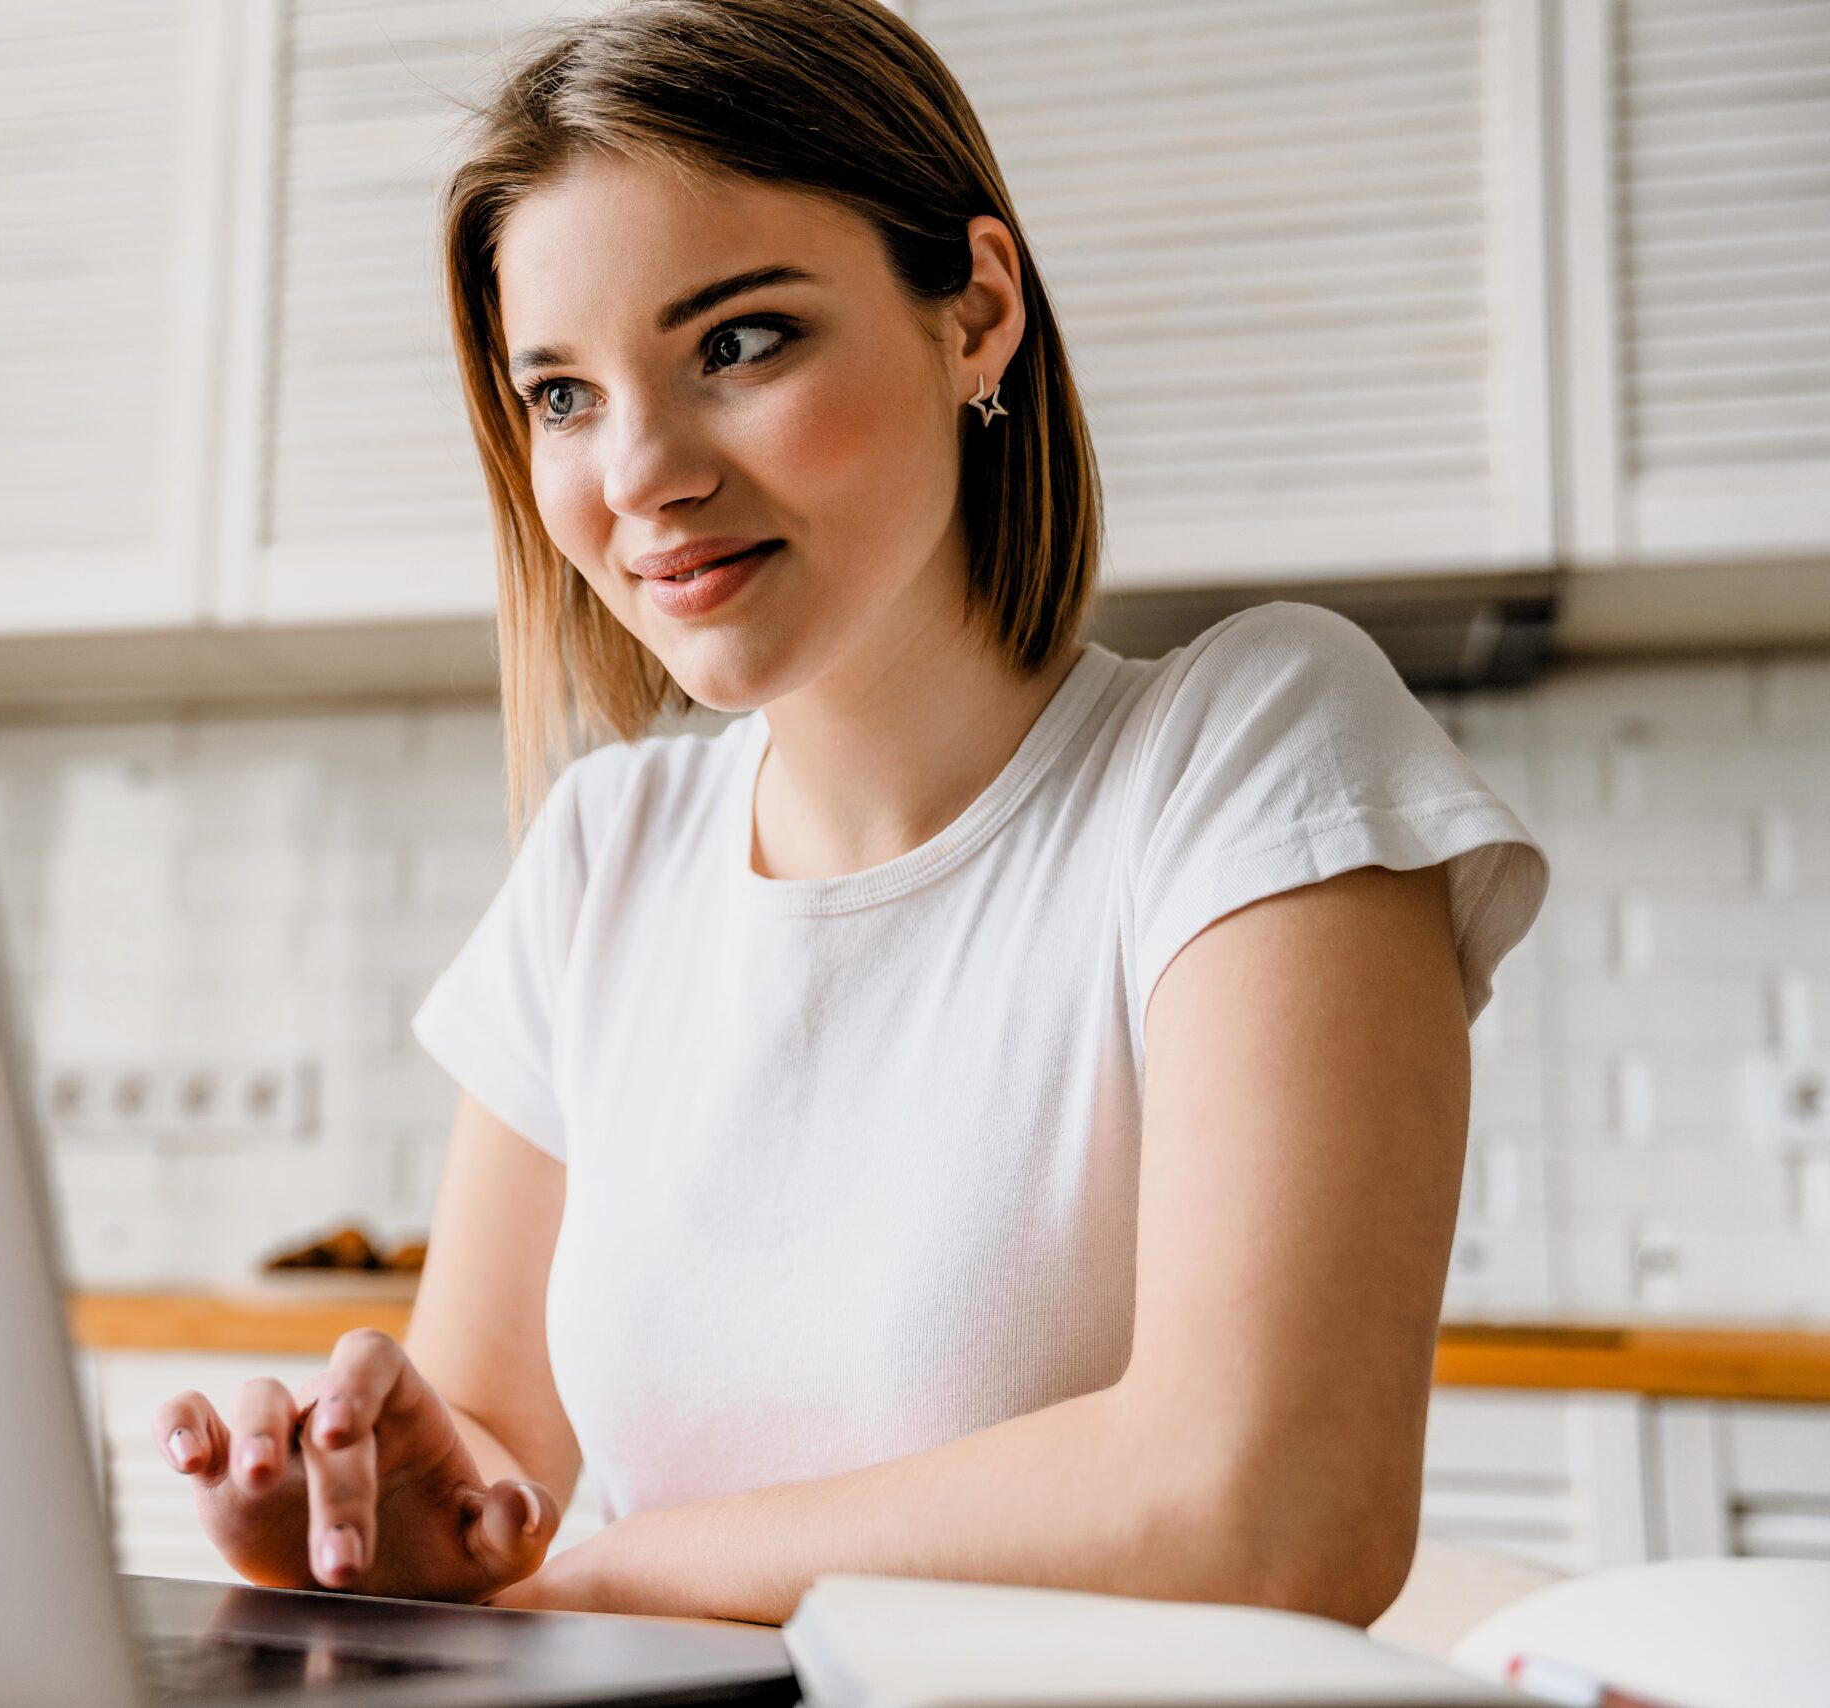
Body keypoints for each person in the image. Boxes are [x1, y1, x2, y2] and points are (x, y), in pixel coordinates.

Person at [152, 0, 1548, 1628]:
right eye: (562, 395)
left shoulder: (1245, 755)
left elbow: (1267, 1503)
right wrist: (370, 1513)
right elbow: (491, 1473)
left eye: (736, 343)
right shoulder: (602, 853)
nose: (642, 475)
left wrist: (624, 1577)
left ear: (977, 313)